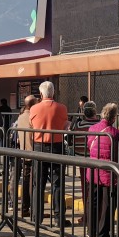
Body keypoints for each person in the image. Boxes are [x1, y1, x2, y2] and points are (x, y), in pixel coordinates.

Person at [30, 81, 70, 227]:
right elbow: (65, 125)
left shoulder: (34, 108)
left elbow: (31, 125)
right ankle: (59, 218)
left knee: (38, 184)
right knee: (58, 184)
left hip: (39, 147)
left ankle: (36, 217)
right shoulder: (62, 108)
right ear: (53, 93)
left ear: (41, 94)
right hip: (57, 147)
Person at [86, 103, 119, 237]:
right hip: (109, 172)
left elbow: (90, 146)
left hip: (93, 169)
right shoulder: (116, 133)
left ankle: (91, 230)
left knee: (93, 201)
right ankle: (103, 232)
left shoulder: (92, 129)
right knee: (107, 203)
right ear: (114, 118)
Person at [12, 95, 36, 217]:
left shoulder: (21, 117)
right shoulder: (33, 117)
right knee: (33, 182)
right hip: (32, 152)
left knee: (26, 181)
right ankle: (33, 209)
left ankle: (25, 208)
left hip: (23, 152)